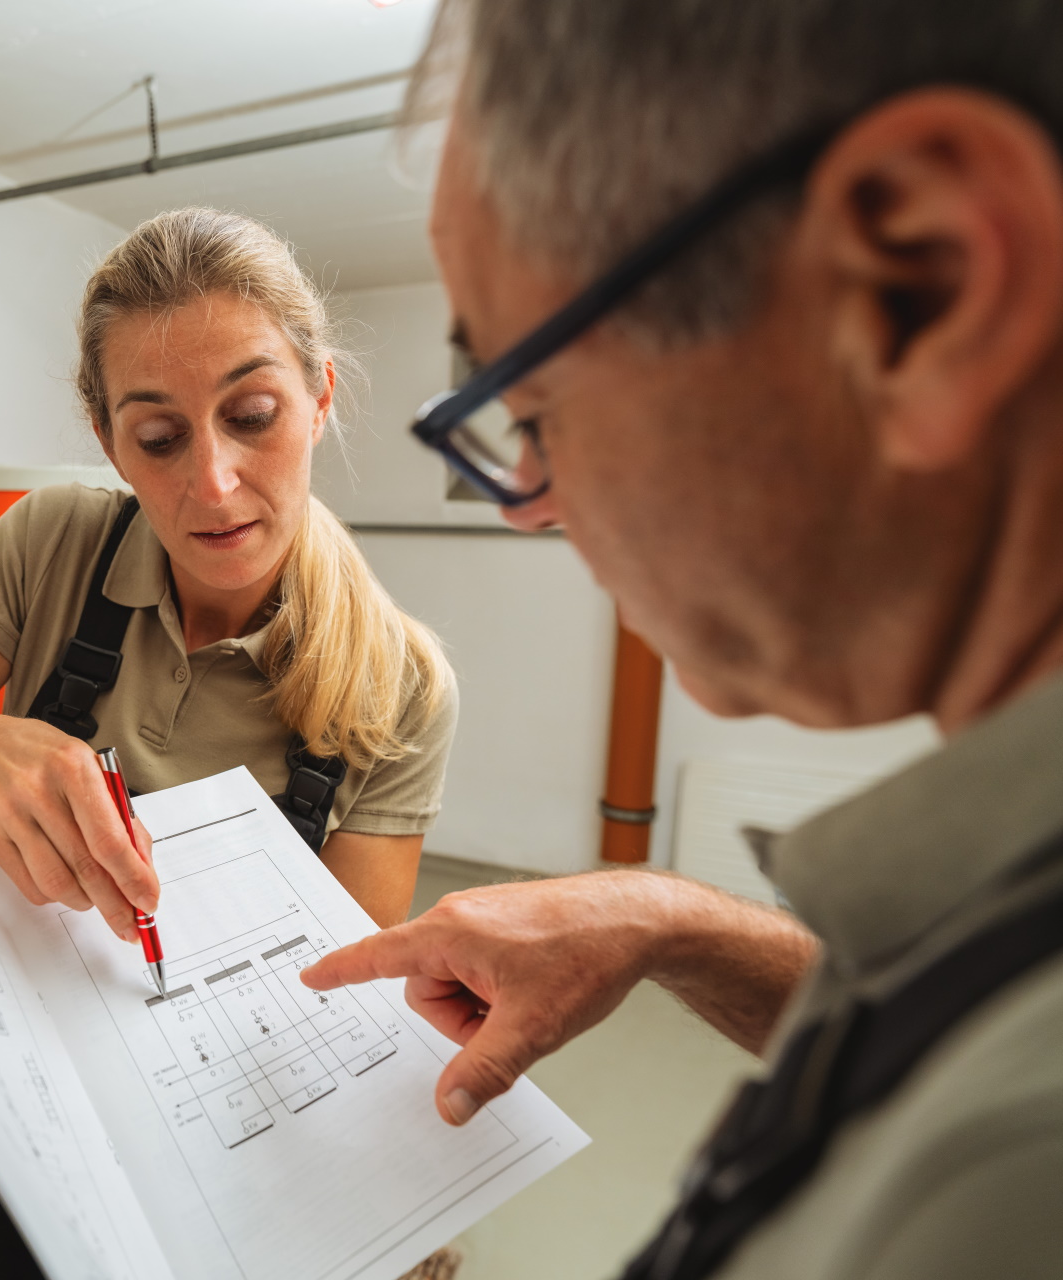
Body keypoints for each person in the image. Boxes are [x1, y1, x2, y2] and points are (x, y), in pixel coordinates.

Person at [299, 2, 1063, 1278]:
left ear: (922, 288)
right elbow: (948, 1011)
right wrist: (675, 921)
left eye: (530, 405)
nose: (530, 502)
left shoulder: (1012, 1176)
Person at [0, 207, 458, 1279]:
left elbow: (341, 1004)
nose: (213, 482)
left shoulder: (401, 687)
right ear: (109, 437)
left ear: (320, 397)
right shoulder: (51, 545)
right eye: (159, 438)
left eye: (253, 415)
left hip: (213, 1166)